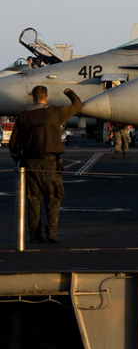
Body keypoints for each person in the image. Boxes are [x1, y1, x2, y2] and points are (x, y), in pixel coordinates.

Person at [8, 85, 83, 244]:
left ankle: (34, 235)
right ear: (46, 97)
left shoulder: (23, 116)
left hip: (30, 164)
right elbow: (77, 105)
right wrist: (70, 93)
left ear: (33, 98)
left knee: (33, 199)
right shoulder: (54, 112)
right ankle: (52, 233)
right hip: (51, 163)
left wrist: (20, 163)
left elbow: (13, 145)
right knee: (54, 197)